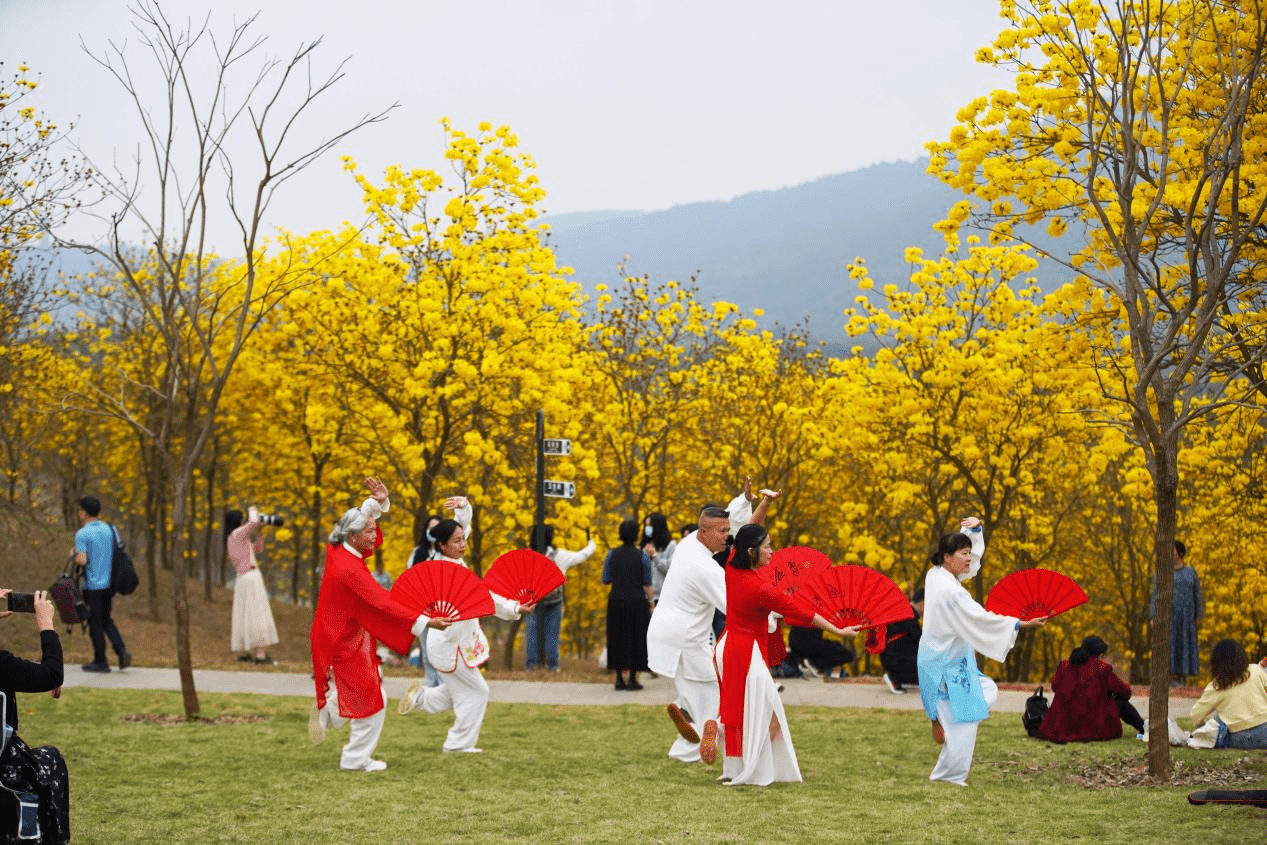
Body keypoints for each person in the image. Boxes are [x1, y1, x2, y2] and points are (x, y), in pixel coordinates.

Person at [309, 478, 447, 772]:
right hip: (342, 640)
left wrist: (377, 503)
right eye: (370, 531)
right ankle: (354, 757)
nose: (376, 536)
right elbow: (383, 603)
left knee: (369, 692)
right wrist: (426, 621)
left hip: (346, 634)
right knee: (375, 700)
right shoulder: (349, 569)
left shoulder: (338, 548)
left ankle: (329, 712)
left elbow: (357, 520)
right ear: (354, 536)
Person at [711, 523, 861, 785]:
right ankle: (753, 769)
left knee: (739, 709)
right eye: (767, 546)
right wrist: (839, 630)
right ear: (752, 551)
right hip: (746, 653)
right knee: (765, 712)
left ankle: (735, 767)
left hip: (727, 647)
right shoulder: (761, 589)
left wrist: (764, 504)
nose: (771, 551)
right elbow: (803, 613)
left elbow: (744, 533)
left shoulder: (732, 569)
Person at [917, 517, 1046, 786]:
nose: (969, 558)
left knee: (986, 692)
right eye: (963, 553)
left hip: (940, 660)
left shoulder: (936, 574)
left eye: (968, 552)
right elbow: (981, 619)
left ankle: (943, 719)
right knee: (965, 722)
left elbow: (969, 566)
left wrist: (972, 532)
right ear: (947, 557)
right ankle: (948, 776)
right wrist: (1019, 623)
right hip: (945, 667)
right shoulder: (952, 593)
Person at [397, 512, 534, 752]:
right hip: (451, 646)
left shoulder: (455, 564)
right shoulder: (441, 571)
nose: (463, 545)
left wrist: (464, 510)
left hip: (455, 644)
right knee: (478, 691)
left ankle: (420, 698)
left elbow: (481, 596)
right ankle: (457, 744)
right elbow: (484, 596)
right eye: (457, 541)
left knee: (456, 691)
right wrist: (514, 607)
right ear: (442, 545)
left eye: (464, 539)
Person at [646, 504, 731, 762]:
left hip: (669, 632)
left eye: (728, 530)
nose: (727, 535)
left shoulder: (687, 544)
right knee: (715, 690)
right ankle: (689, 719)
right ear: (703, 532)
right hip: (686, 638)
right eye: (722, 531)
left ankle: (685, 726)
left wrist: (749, 503)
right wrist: (772, 614)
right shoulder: (706, 569)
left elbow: (732, 520)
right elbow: (734, 605)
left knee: (701, 691)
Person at [0, 588, 69, 844]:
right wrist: (46, 625)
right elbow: (52, 674)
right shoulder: (3, 665)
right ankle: (49, 837)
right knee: (50, 760)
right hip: (5, 768)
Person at [405, 497, 471, 687]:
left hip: (448, 609)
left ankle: (442, 687)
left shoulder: (453, 553)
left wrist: (464, 509)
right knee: (428, 650)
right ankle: (431, 685)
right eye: (430, 528)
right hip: (426, 609)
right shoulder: (420, 554)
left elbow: (462, 529)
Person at [1037, 636, 1144, 743]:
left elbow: (1055, 687)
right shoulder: (1102, 669)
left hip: (1060, 728)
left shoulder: (1064, 666)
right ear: (1100, 654)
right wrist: (1108, 693)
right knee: (1120, 701)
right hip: (1093, 729)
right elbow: (1125, 693)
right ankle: (1143, 727)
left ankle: (1144, 727)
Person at [525, 524, 597, 671]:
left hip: (532, 601)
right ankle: (553, 666)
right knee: (552, 634)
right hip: (554, 601)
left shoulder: (526, 556)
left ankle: (530, 666)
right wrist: (592, 545)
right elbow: (581, 555)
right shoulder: (559, 556)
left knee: (532, 633)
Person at [72, 496, 130, 673]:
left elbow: (81, 560)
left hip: (93, 586)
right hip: (109, 585)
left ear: (83, 512)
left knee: (94, 624)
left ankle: (101, 661)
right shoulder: (108, 529)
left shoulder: (82, 533)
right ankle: (121, 652)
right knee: (106, 620)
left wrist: (75, 553)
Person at [224, 507, 280, 664]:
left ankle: (244, 652)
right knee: (257, 614)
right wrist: (253, 510)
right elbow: (253, 521)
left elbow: (258, 549)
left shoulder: (235, 538)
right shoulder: (236, 534)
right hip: (250, 577)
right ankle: (260, 655)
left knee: (245, 614)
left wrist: (261, 532)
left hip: (244, 578)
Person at [1187, 639, 1267, 749]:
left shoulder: (1215, 686)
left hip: (1238, 739)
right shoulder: (1256, 671)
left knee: (1218, 718)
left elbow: (1195, 717)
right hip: (1265, 733)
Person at [603, 519, 653, 691]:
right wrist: (652, 604)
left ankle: (618, 678)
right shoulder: (643, 556)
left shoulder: (611, 554)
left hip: (616, 600)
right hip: (637, 601)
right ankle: (632, 678)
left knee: (617, 638)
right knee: (636, 639)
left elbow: (605, 579)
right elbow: (648, 582)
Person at [1150, 540, 1203, 685]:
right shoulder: (1162, 573)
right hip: (1168, 618)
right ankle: (1171, 677)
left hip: (1187, 618)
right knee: (1170, 645)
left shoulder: (1191, 573)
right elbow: (1155, 595)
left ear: (1179, 553)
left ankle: (1183, 675)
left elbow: (1197, 595)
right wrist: (1153, 616)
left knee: (1185, 644)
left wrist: (1199, 616)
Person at [880, 588, 923, 694]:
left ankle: (903, 679)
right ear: (923, 603)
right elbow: (921, 642)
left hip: (890, 657)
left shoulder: (904, 611)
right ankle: (894, 677)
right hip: (895, 660)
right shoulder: (909, 616)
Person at [787, 624, 855, 679]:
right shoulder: (819, 613)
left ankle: (810, 662)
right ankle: (815, 663)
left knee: (837, 646)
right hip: (808, 644)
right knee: (847, 654)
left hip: (794, 643)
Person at [644, 513, 676, 606]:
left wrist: (655, 556)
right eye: (646, 526)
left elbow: (671, 569)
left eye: (649, 525)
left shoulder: (671, 545)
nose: (647, 528)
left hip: (664, 597)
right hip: (646, 597)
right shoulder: (645, 545)